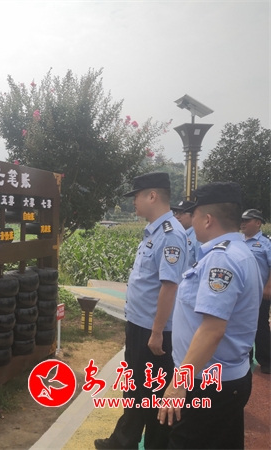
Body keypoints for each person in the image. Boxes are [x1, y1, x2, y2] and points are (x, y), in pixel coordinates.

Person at [157, 182, 262, 449]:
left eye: (193, 215)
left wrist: (178, 384)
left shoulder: (222, 259)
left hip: (207, 383)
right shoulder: (239, 253)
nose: (190, 222)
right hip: (222, 378)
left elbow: (212, 330)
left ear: (207, 219)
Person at [95, 172, 188, 450]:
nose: (133, 202)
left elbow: (169, 287)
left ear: (152, 196)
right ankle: (124, 441)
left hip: (153, 330)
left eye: (136, 196)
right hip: (140, 325)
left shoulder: (170, 235)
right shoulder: (154, 232)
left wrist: (157, 332)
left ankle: (150, 444)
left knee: (153, 390)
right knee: (137, 388)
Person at [241, 208, 271, 374]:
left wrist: (268, 286)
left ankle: (266, 360)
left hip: (260, 292)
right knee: (241, 324)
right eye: (242, 220)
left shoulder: (266, 243)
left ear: (258, 223)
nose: (243, 223)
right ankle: (245, 358)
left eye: (247, 220)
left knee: (260, 325)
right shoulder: (238, 241)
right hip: (241, 293)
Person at [171, 199, 201, 267]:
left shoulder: (198, 237)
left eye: (181, 213)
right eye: (176, 213)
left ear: (193, 216)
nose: (177, 216)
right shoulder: (175, 234)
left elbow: (200, 265)